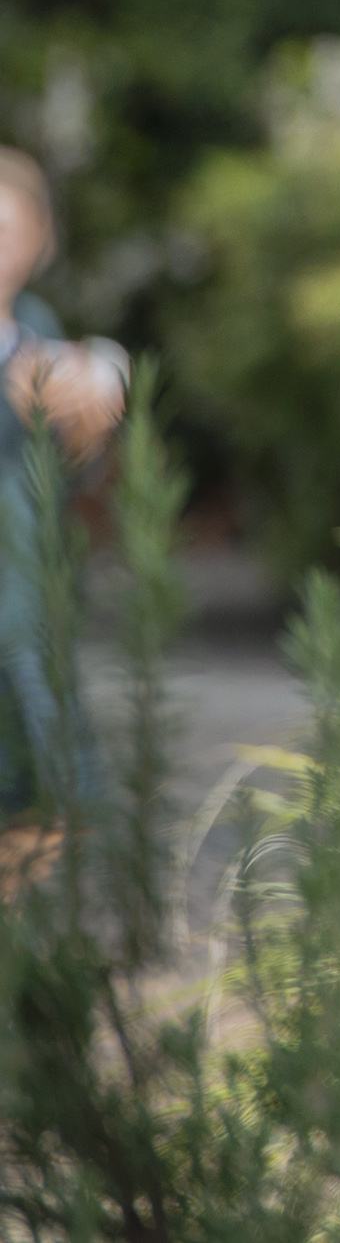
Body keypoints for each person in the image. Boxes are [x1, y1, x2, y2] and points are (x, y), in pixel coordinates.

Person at [0, 151, 127, 826]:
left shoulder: (38, 328)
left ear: (40, 239)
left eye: (8, 231)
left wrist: (83, 430)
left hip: (28, 590)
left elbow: (72, 478)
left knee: (40, 795)